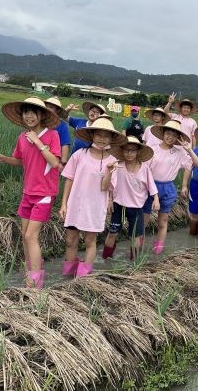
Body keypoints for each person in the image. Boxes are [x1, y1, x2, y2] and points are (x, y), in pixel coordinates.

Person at [0, 97, 61, 289]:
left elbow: (55, 164)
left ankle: (36, 282)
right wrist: (2, 158)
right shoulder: (22, 137)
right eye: (26, 112)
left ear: (42, 115)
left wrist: (38, 142)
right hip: (28, 192)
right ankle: (31, 274)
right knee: (24, 233)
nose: (29, 116)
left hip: (45, 192)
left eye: (33, 112)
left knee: (30, 236)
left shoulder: (52, 135)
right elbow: (20, 161)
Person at [59, 117, 127, 278]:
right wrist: (64, 204)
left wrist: (109, 170)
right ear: (92, 136)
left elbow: (105, 187)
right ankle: (68, 275)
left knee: (89, 241)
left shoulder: (113, 161)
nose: (102, 139)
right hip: (75, 204)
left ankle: (83, 278)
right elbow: (69, 179)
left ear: (111, 139)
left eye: (106, 136)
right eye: (98, 135)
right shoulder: (79, 155)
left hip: (95, 207)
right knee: (70, 240)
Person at [144, 119, 198, 254]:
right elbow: (144, 170)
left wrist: (188, 149)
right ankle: (137, 247)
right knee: (143, 220)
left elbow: (197, 164)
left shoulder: (180, 153)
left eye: (174, 135)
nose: (170, 137)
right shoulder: (152, 149)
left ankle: (158, 247)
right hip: (150, 186)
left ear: (177, 138)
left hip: (167, 188)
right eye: (168, 133)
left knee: (162, 221)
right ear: (163, 133)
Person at [101, 136, 159, 260]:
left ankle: (135, 261)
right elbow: (111, 185)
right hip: (119, 205)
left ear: (138, 152)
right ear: (122, 151)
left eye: (132, 150)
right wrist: (110, 200)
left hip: (136, 207)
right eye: (126, 150)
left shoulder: (144, 168)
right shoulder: (118, 166)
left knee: (136, 236)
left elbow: (151, 186)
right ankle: (106, 259)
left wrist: (156, 199)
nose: (129, 153)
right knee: (112, 233)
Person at [44, 97, 71, 169]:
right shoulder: (40, 121)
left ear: (57, 110)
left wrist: (63, 162)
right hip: (40, 154)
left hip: (54, 157)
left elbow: (65, 143)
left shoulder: (61, 125)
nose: (47, 108)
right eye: (46, 106)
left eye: (51, 107)